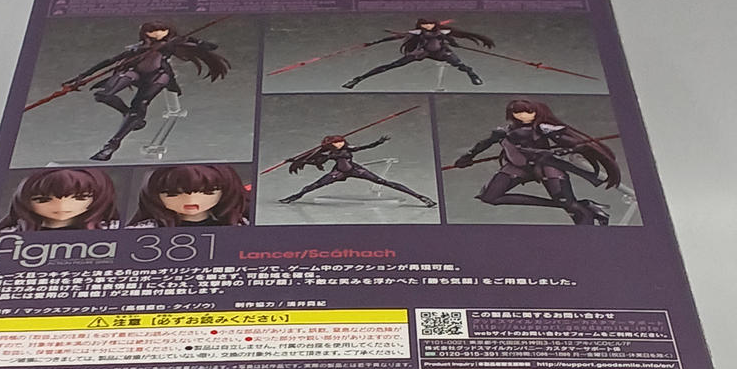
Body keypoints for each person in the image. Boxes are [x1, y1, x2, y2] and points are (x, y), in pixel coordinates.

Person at [60, 21, 230, 161]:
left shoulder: (171, 43)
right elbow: (109, 61)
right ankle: (129, 115)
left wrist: (195, 41)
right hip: (135, 72)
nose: (158, 33)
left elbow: (211, 47)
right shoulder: (137, 48)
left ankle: (111, 146)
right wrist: (81, 77)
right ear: (146, 33)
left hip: (158, 76)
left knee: (140, 104)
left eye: (161, 30)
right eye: (153, 31)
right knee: (102, 95)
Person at [452, 98, 620, 225]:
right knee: (490, 197)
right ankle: (586, 205)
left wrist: (566, 150)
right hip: (517, 167)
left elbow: (575, 144)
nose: (523, 116)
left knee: (568, 204)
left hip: (546, 166)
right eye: (518, 112)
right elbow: (484, 144)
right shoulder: (502, 132)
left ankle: (586, 221)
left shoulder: (542, 128)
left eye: (528, 112)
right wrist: (468, 156)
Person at [279, 135, 436, 207]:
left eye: (341, 142)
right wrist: (294, 160)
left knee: (383, 182)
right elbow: (314, 161)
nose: (340, 144)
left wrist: (378, 142)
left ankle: (421, 198)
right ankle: (294, 197)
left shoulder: (348, 148)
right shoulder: (329, 153)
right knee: (315, 185)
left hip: (355, 170)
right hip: (339, 172)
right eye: (337, 143)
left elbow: (364, 147)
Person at [342, 19, 495, 88]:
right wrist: (374, 42)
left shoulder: (443, 31)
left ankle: (473, 76)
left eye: (429, 24)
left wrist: (454, 43)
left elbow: (464, 35)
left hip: (441, 52)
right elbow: (396, 37)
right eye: (424, 24)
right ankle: (358, 79)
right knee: (392, 65)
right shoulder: (417, 32)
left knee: (461, 65)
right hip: (422, 52)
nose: (427, 26)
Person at [0, 167, 119, 232]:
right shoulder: (11, 235)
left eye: (80, 197)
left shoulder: (112, 228)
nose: (62, 205)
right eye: (42, 200)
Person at [128, 163, 249, 226]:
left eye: (208, 192)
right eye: (172, 194)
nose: (191, 200)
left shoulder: (239, 226)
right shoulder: (143, 231)